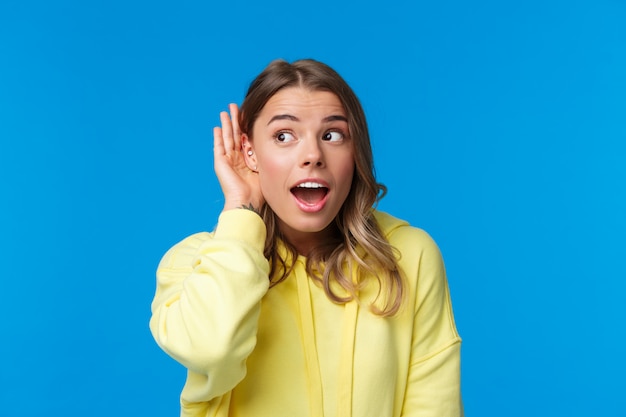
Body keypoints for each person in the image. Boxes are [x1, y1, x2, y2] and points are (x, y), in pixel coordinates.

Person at [149, 58, 463, 417]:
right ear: (250, 152)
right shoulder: (193, 262)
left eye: (332, 135)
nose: (313, 155)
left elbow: (434, 405)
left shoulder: (409, 254)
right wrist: (240, 210)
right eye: (284, 136)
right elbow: (210, 349)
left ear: (354, 151)